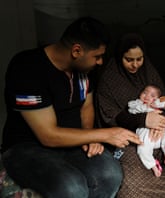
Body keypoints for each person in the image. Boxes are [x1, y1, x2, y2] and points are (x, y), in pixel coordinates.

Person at [1, 17, 142, 198]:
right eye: (97, 56)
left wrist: (90, 136)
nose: (100, 62)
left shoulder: (84, 70)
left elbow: (86, 107)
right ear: (77, 51)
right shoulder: (27, 68)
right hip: (27, 148)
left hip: (72, 142)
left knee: (110, 173)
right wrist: (106, 134)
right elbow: (48, 136)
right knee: (71, 186)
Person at [95, 33, 165, 197]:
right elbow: (110, 115)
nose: (135, 65)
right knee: (132, 182)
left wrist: (161, 122)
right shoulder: (108, 79)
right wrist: (144, 120)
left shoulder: (149, 72)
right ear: (120, 56)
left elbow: (163, 103)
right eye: (129, 60)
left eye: (139, 59)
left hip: (158, 132)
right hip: (126, 137)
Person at [127, 84, 165, 177]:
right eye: (145, 93)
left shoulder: (156, 104)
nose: (147, 96)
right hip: (146, 133)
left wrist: (158, 103)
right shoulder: (138, 103)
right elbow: (130, 107)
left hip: (160, 133)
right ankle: (153, 165)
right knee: (142, 148)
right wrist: (145, 107)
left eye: (152, 96)